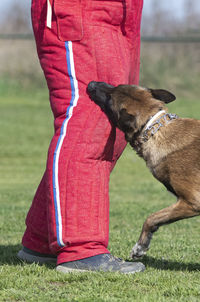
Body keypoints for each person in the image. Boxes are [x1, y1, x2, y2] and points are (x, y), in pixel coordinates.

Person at [17, 0, 145, 273]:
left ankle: (42, 239)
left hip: (125, 12)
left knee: (117, 123)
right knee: (90, 117)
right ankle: (80, 248)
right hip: (80, 9)